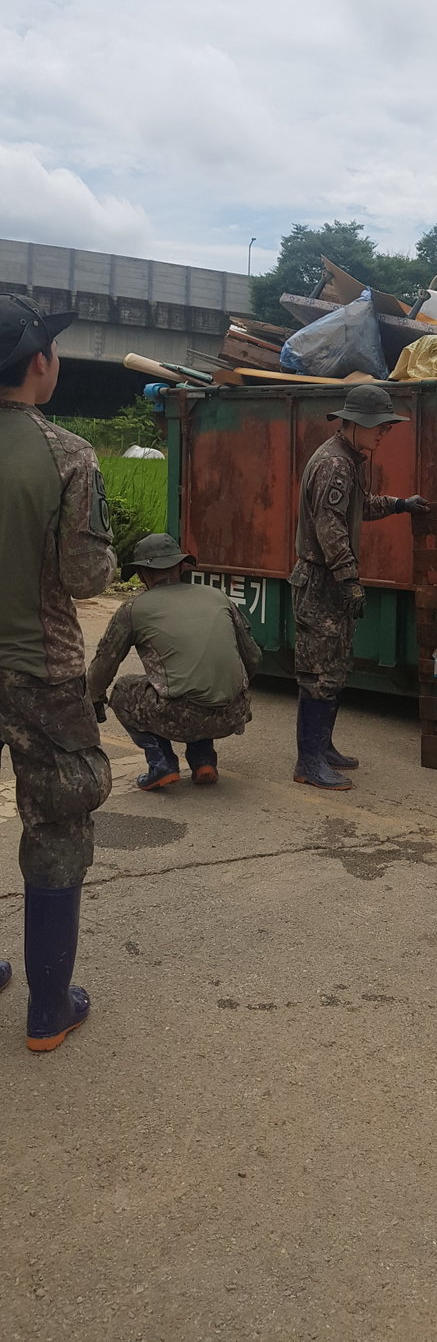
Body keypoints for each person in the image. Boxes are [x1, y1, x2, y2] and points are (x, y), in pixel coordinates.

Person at [0, 294, 116, 1051]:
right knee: (56, 823)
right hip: (39, 675)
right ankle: (49, 1010)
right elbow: (82, 578)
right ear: (39, 363)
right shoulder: (69, 454)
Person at [291, 383, 430, 790]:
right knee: (319, 671)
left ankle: (322, 747)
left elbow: (358, 505)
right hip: (322, 580)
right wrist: (349, 577)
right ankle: (308, 761)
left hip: (329, 578)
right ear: (353, 424)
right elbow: (329, 526)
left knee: (334, 667)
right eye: (379, 427)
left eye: (387, 427)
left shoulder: (348, 460)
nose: (384, 433)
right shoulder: (334, 464)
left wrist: (399, 504)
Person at [87, 533, 262, 789]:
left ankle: (162, 763)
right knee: (193, 684)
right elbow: (253, 658)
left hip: (182, 718)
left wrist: (94, 699)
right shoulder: (217, 596)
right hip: (233, 712)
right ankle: (203, 759)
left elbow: (102, 668)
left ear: (142, 575)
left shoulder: (134, 609)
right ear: (180, 567)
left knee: (124, 690)